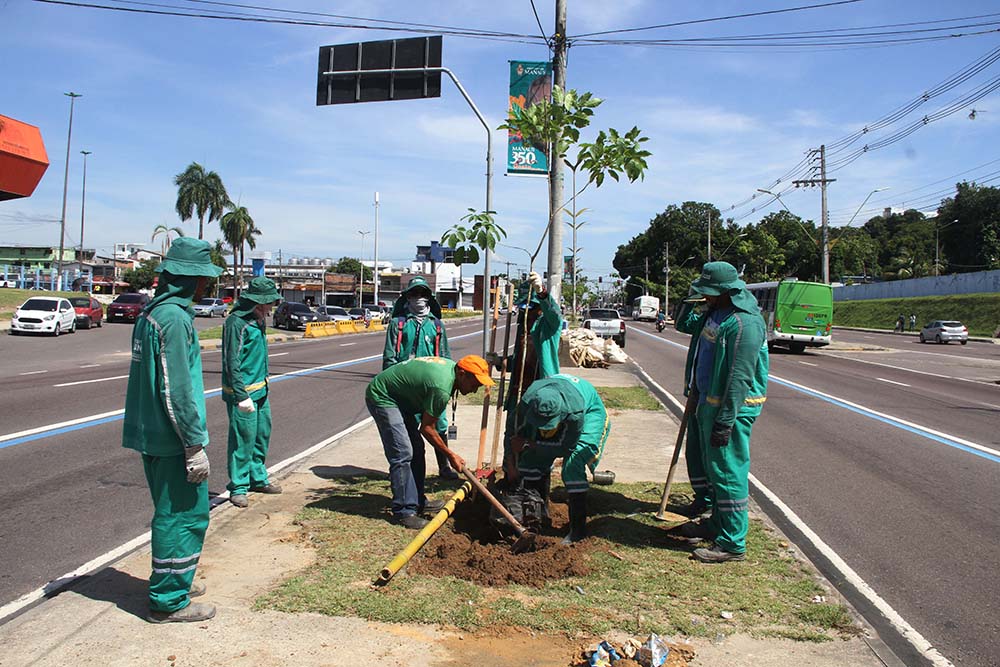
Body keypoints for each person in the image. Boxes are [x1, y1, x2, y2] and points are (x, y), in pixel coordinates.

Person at [121, 237, 223, 622]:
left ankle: (178, 578)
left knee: (172, 511)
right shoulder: (175, 320)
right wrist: (193, 444)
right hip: (172, 439)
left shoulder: (152, 314)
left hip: (152, 433)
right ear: (191, 280)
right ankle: (168, 600)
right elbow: (176, 389)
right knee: (184, 515)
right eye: (203, 280)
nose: (206, 287)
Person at [671, 261, 769, 563]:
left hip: (732, 409)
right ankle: (715, 522)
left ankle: (732, 542)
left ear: (727, 292)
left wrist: (725, 421)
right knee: (711, 468)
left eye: (711, 292)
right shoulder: (715, 313)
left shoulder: (744, 324)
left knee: (728, 473)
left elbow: (738, 377)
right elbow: (683, 324)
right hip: (707, 402)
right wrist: (691, 297)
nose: (707, 297)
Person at [366, 355, 495, 529]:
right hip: (384, 397)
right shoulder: (441, 387)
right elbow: (426, 428)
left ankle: (418, 500)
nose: (474, 390)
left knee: (417, 450)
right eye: (474, 384)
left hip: (402, 400)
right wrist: (450, 455)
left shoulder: (451, 370)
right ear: (462, 374)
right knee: (403, 453)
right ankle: (404, 511)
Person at [508, 374, 610, 544]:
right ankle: (540, 518)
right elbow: (511, 434)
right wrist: (511, 463)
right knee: (530, 461)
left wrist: (530, 444)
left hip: (590, 413)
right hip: (561, 402)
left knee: (573, 464)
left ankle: (578, 530)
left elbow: (565, 448)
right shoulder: (527, 402)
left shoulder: (575, 413)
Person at [382, 276, 459, 480]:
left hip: (432, 384)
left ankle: (444, 466)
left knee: (438, 425)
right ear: (407, 297)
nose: (418, 298)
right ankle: (411, 472)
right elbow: (389, 357)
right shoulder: (397, 324)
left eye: (422, 294)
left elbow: (445, 357)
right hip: (407, 387)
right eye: (414, 294)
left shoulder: (437, 325)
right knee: (408, 430)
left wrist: (449, 384)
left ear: (428, 297)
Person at [490, 271, 562, 475]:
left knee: (537, 439)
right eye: (524, 310)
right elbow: (518, 363)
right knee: (511, 436)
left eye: (531, 310)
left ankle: (537, 479)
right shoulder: (523, 330)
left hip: (541, 394)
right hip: (518, 394)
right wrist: (500, 362)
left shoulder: (548, 327)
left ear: (539, 309)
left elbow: (556, 316)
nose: (526, 314)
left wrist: (542, 292)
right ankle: (509, 474)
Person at [222, 277, 282, 508]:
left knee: (261, 435)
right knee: (242, 440)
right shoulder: (237, 323)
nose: (271, 307)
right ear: (258, 302)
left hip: (261, 388)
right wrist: (240, 395)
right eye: (269, 303)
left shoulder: (259, 320)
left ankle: (258, 478)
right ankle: (238, 486)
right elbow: (232, 361)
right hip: (243, 393)